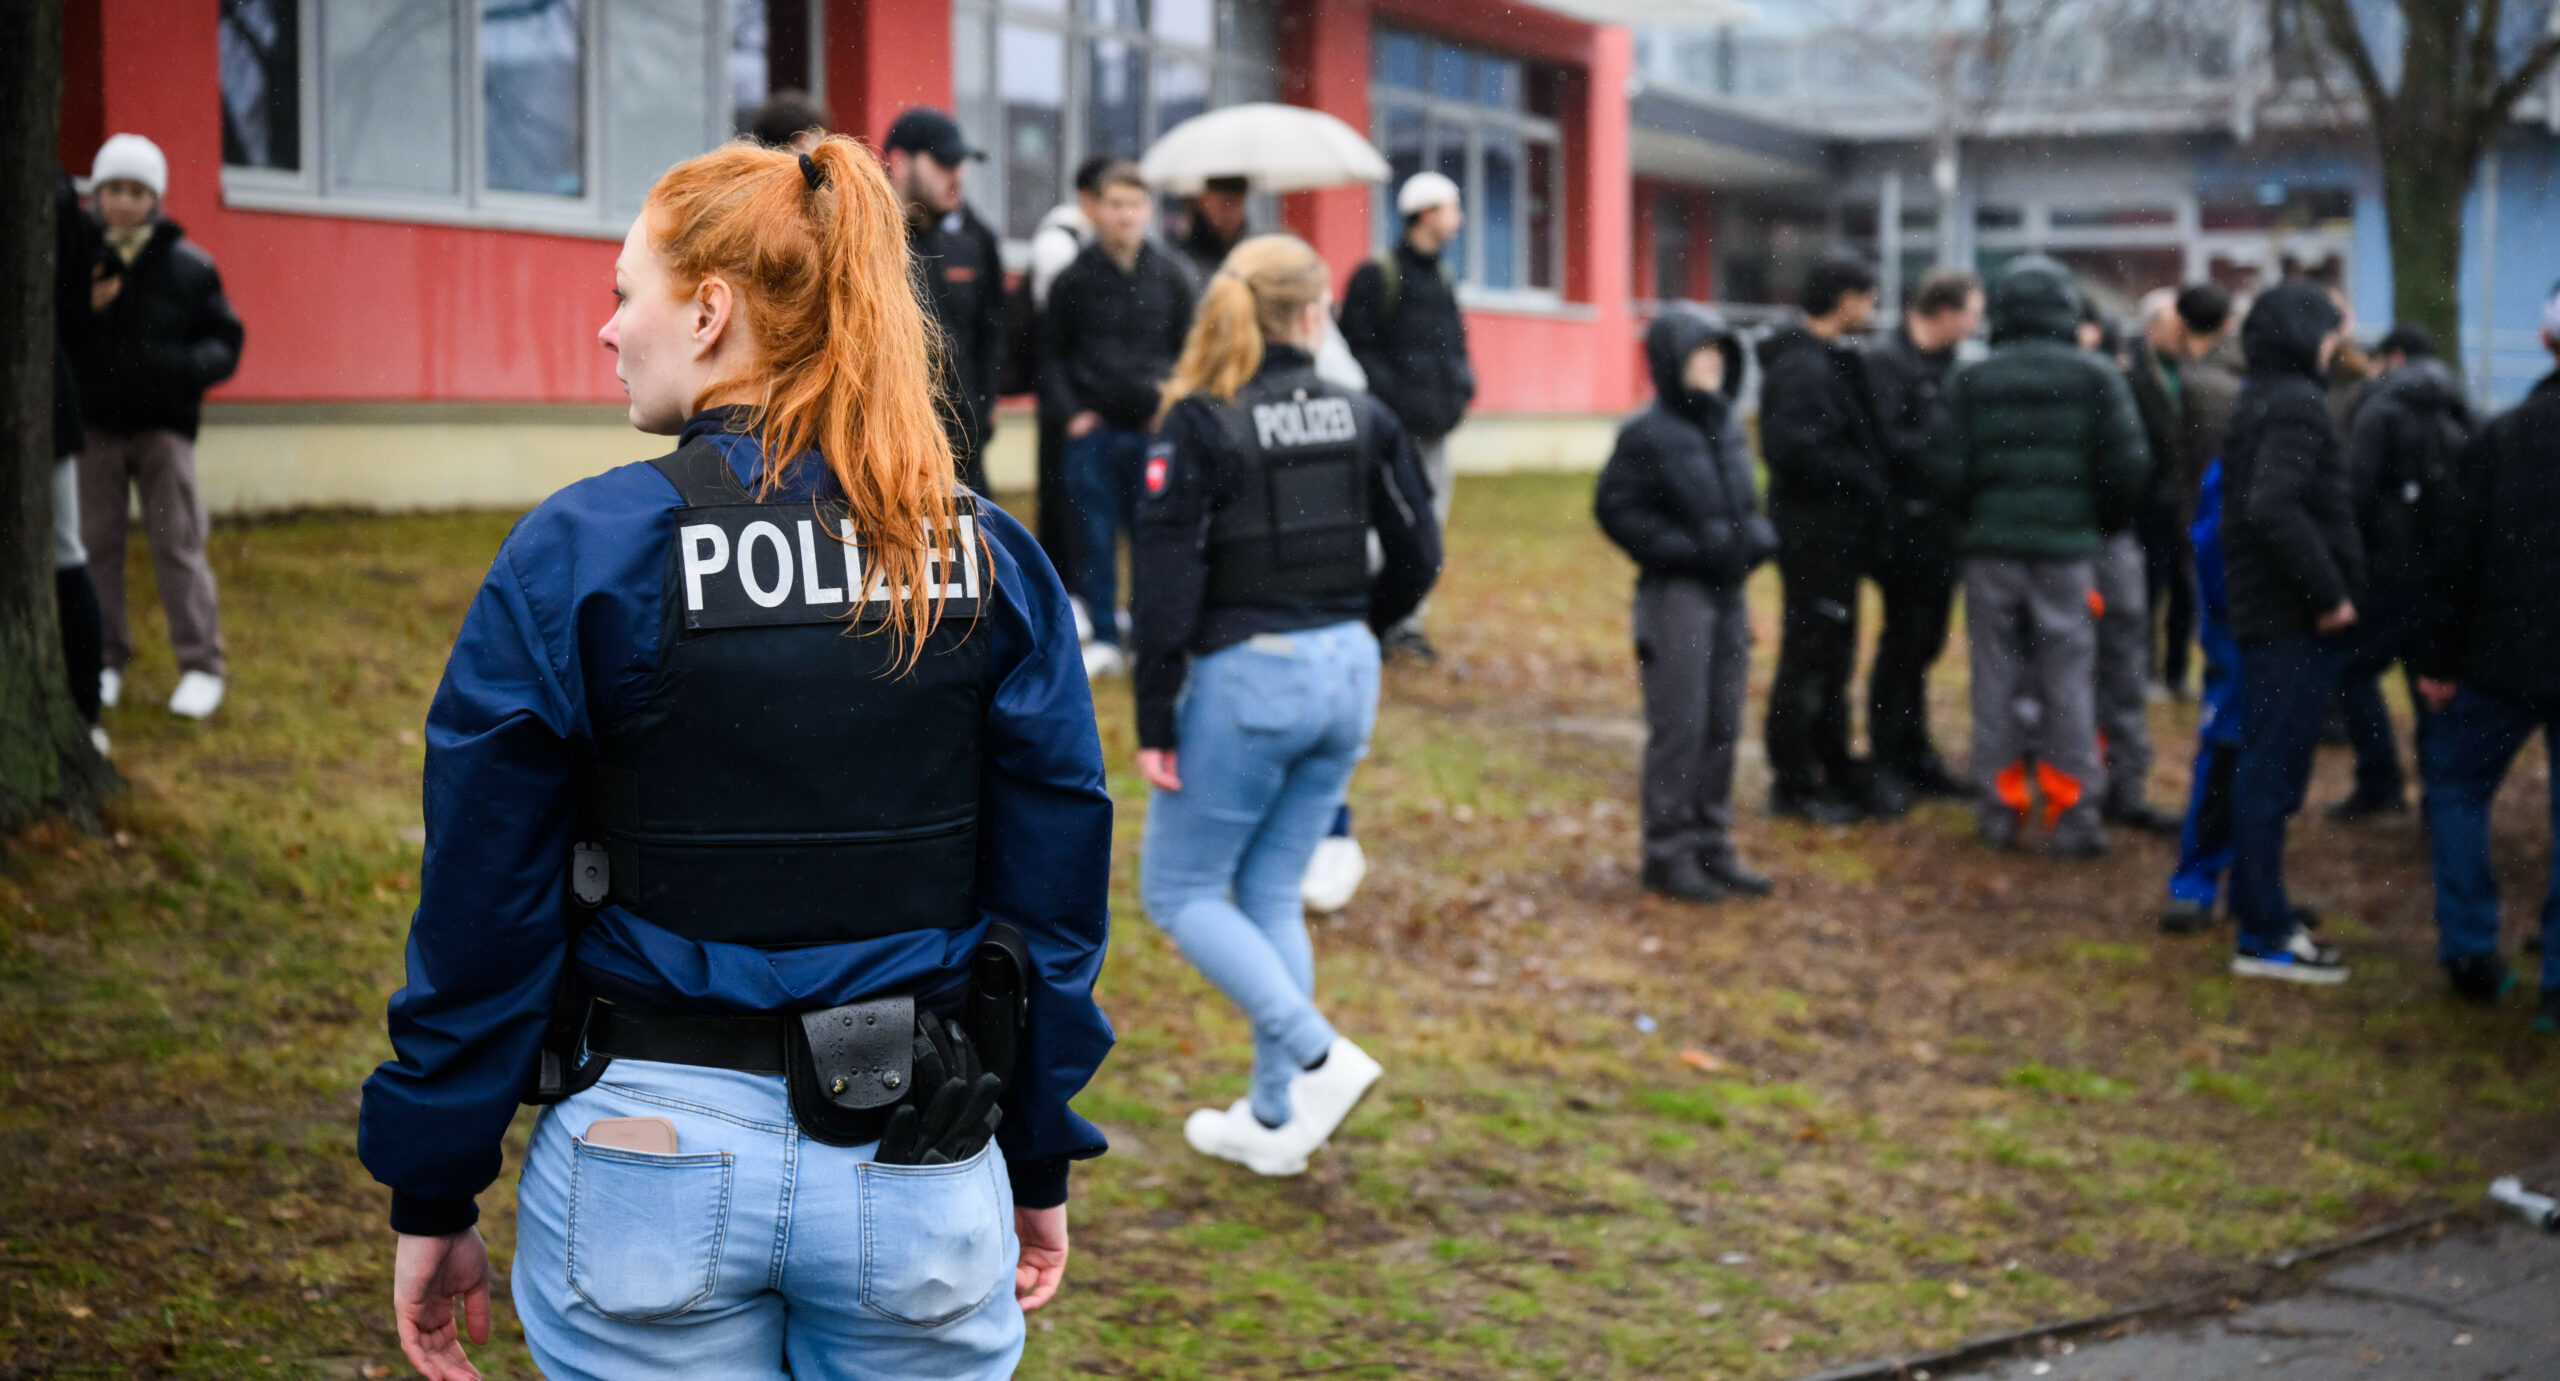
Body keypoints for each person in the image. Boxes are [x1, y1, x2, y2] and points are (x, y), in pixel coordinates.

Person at [358, 138, 1113, 1381]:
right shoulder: (989, 560)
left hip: (645, 1167)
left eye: (624, 292)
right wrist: (1033, 1152)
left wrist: (434, 1189)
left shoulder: (581, 554)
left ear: (710, 312)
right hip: (919, 1176)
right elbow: (1051, 914)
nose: (607, 331)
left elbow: (482, 913)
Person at [1130, 234, 1440, 1175]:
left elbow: (1165, 584)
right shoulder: (1365, 413)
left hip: (1252, 677)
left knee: (1179, 891)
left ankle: (1318, 1057)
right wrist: (1354, 625)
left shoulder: (1200, 421)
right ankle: (1273, 1122)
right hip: (1347, 671)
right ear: (1315, 314)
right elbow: (1421, 551)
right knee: (1267, 890)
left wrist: (1153, 711)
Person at [1923, 256, 2150, 857]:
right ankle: (2074, 811)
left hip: (1991, 552)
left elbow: (1943, 469)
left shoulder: (1971, 380)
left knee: (1995, 678)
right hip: (2067, 552)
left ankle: (2000, 808)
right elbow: (2127, 468)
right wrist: (2093, 523)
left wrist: (1977, 519)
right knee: (2069, 680)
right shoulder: (2096, 376)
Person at [2411, 288, 2560, 1027]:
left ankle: (2470, 948)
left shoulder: (2504, 438)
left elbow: (2454, 556)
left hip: (2505, 656)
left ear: (2544, 338)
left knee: (2458, 790)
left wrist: (2437, 658)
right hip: (2510, 653)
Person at [1594, 307, 1779, 902]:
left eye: (1719, 352)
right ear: (1672, 361)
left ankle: (1712, 843)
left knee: (1724, 723)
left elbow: (1744, 503)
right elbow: (1616, 509)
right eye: (1701, 351)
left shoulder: (1727, 425)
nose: (1712, 362)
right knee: (1682, 723)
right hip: (1676, 596)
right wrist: (1683, 549)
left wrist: (1756, 540)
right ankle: (1668, 852)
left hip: (1729, 595)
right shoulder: (1645, 433)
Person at [70, 132, 243, 722]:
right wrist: (82, 304)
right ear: (95, 194)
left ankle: (201, 666)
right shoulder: (74, 259)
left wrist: (182, 373)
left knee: (178, 544)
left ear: (156, 198)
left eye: (136, 191)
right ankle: (104, 659)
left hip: (163, 432)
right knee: (96, 547)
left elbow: (225, 340)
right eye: (113, 189)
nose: (123, 201)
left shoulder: (188, 266)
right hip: (94, 429)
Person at [2219, 279, 2360, 984]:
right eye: (2332, 327)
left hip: (2267, 610)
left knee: (2264, 766)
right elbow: (2273, 506)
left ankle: (2260, 901)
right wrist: (2330, 594)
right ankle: (2264, 934)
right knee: (2272, 771)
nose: (2340, 341)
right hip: (2289, 617)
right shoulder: (2298, 402)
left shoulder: (2264, 396)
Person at [1040, 161, 1196, 679]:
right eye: (1115, 204)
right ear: (1097, 210)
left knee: (1155, 539)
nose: (1125, 214)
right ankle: (1105, 636)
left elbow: (1190, 352)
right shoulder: (1074, 279)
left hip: (1155, 435)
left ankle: (1153, 634)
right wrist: (1071, 416)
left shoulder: (1173, 276)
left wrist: (1171, 408)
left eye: (1134, 204)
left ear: (1148, 211)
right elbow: (1052, 356)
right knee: (1095, 539)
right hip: (1094, 435)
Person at [1757, 256, 1888, 823]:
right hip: (1814, 536)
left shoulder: (1830, 362)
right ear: (1844, 300)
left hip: (1834, 535)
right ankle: (1794, 780)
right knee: (1810, 653)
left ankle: (1831, 766)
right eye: (1869, 297)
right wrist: (1862, 477)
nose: (1874, 310)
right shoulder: (1803, 370)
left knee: (1832, 653)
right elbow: (1796, 451)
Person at [2327, 323, 2471, 820]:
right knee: (2429, 683)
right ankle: (2440, 798)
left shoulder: (2379, 409)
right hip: (2443, 576)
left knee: (2349, 670)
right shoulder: (2460, 407)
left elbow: (2356, 493)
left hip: (2387, 573)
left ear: (2394, 357)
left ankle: (2379, 781)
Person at [1339, 171, 1475, 663]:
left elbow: (1456, 346)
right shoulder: (1377, 275)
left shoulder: (1441, 276)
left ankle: (1406, 624)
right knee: (1386, 527)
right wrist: (1396, 406)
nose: (1459, 220)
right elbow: (1358, 347)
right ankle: (1372, 620)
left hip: (1438, 432)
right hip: (1394, 436)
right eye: (1452, 208)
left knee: (1427, 530)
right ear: (1426, 214)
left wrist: (1462, 392)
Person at [1862, 269, 1982, 816]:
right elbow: (1888, 441)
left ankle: (1916, 753)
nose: (1977, 324)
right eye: (1973, 312)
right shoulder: (1886, 362)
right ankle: (1888, 759)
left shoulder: (1950, 366)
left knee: (1925, 643)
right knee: (1903, 645)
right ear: (1947, 311)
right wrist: (1947, 454)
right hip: (1899, 532)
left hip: (1940, 532)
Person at [884, 107, 1004, 497]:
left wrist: (982, 414)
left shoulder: (969, 241)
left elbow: (987, 335)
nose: (957, 176)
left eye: (961, 164)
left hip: (963, 456)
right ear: (900, 163)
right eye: (944, 162)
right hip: (895, 463)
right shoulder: (866, 246)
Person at [2127, 286, 2233, 698]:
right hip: (2153, 500)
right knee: (2149, 589)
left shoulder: (2199, 371)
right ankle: (2147, 671)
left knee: (2184, 590)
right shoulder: (2136, 373)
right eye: (2174, 325)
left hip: (2185, 499)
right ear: (2153, 328)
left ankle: (2175, 672)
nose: (2181, 333)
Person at [1026, 156, 1115, 606]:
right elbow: (1055, 335)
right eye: (1111, 199)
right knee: (1062, 500)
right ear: (1087, 199)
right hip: (1064, 399)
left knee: (1089, 506)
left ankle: (1084, 594)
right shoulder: (1059, 246)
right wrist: (1068, 404)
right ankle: (1063, 594)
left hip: (1091, 399)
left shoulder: (1105, 246)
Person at [54, 172, 106, 754]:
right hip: (56, 400)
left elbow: (69, 310)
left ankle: (86, 711)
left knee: (65, 554)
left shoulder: (50, 191)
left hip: (43, 404)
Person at [1176, 175, 1251, 282]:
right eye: (1225, 203)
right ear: (1201, 203)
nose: (1232, 213)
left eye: (1239, 203)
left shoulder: (1249, 258)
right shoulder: (1179, 264)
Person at [748, 90, 831, 152]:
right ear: (803, 140)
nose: (823, 145)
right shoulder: (811, 173)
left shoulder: (751, 171)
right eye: (819, 137)